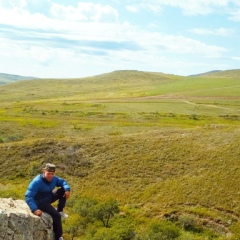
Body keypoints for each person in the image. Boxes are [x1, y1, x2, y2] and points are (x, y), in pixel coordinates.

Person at [25, 163, 70, 240]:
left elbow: (63, 182)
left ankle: (60, 210)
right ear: (44, 172)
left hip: (48, 197)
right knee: (56, 216)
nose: (50, 176)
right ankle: (59, 237)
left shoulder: (54, 179)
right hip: (40, 202)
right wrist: (35, 209)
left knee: (63, 191)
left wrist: (67, 189)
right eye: (48, 173)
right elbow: (28, 196)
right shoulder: (37, 181)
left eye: (52, 174)